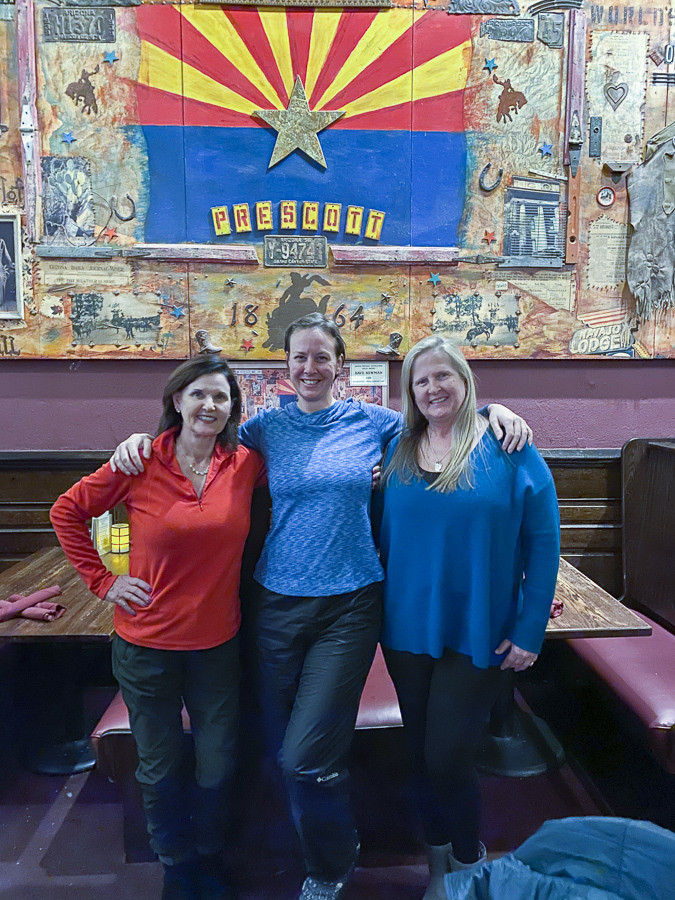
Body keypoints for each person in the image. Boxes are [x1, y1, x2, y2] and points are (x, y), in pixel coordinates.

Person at [111, 313, 532, 900]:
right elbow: (199, 436)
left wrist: (492, 411)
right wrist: (141, 440)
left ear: (340, 365)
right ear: (286, 366)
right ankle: (261, 849)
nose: (309, 368)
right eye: (299, 358)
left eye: (321, 357)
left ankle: (333, 862)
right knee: (273, 742)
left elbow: (439, 417)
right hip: (273, 606)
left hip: (350, 606)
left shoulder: (375, 422)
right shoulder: (263, 428)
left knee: (304, 755)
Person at [50, 356, 265, 900]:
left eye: (220, 397)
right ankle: (176, 863)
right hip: (146, 645)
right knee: (160, 765)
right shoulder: (140, 460)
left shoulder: (245, 463)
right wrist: (103, 581)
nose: (209, 405)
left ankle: (210, 854)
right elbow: (66, 512)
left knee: (218, 761)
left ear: (232, 408)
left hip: (217, 645)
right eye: (198, 394)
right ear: (177, 401)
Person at [376, 335, 560, 900]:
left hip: (480, 631)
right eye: (421, 380)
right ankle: (438, 870)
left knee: (448, 757)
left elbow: (544, 542)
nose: (433, 388)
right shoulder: (396, 447)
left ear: (465, 380)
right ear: (410, 392)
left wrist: (531, 629)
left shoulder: (508, 446)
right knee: (418, 754)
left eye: (443, 376)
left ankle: (468, 864)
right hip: (406, 630)